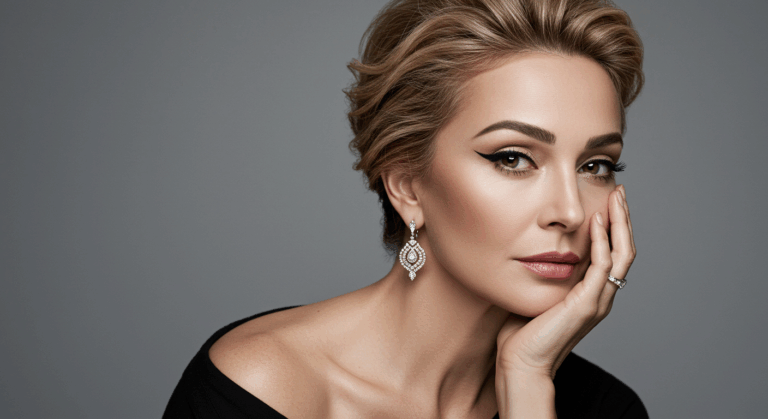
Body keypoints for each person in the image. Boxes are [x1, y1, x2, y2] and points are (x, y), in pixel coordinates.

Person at [163, 0, 646, 417]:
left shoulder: (606, 408)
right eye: (513, 158)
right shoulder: (261, 388)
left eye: (596, 166)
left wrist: (527, 382)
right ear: (407, 187)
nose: (571, 211)